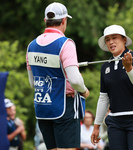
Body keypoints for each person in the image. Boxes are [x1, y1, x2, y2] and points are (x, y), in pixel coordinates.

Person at [26, 2, 89, 150]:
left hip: (43, 108)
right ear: (64, 20)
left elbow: (33, 83)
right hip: (64, 107)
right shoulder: (65, 43)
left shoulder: (31, 45)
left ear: (45, 21)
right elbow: (74, 79)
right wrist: (84, 91)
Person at [91, 25, 133, 150]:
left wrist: (129, 69)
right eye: (107, 39)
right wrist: (96, 126)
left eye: (114, 38)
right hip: (116, 121)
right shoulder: (105, 67)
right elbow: (103, 98)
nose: (111, 42)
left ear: (124, 40)